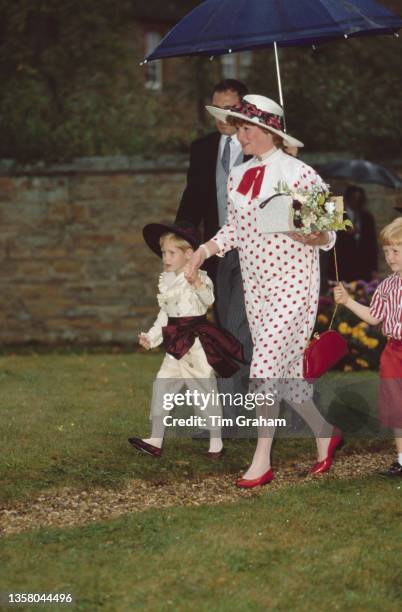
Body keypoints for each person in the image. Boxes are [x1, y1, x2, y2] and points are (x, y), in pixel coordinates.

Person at [187, 94, 343, 488]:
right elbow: (234, 230)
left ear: (269, 130)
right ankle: (325, 432)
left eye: (247, 128)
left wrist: (310, 233)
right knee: (288, 377)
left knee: (263, 369)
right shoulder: (238, 176)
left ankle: (261, 460)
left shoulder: (301, 173)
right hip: (256, 287)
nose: (240, 136)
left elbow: (328, 235)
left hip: (293, 283)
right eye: (237, 128)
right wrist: (203, 251)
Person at [128, 222, 244, 460]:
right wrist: (152, 337)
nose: (166, 258)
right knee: (162, 386)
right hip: (174, 346)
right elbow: (165, 315)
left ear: (189, 254)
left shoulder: (200, 277)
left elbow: (209, 299)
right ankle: (155, 440)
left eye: (172, 253)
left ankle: (215, 442)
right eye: (163, 253)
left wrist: (197, 284)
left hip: (195, 345)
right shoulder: (167, 280)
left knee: (204, 390)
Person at [176, 79, 253, 433]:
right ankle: (236, 411)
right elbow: (193, 197)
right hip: (216, 253)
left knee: (238, 329)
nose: (222, 117)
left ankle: (232, 415)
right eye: (216, 109)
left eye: (230, 108)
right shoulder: (203, 149)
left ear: (244, 108)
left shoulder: (259, 146)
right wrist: (181, 241)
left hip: (256, 254)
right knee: (223, 330)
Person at [334, 217, 402, 477]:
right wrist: (349, 302)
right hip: (394, 352)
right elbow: (375, 317)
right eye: (386, 252)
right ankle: (401, 458)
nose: (390, 257)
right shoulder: (386, 286)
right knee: (397, 407)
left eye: (396, 251)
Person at [327, 185, 378, 282]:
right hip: (343, 265)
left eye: (360, 199)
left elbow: (372, 244)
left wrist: (374, 268)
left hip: (363, 266)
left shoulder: (367, 217)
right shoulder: (339, 215)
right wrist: (344, 231)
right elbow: (330, 239)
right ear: (347, 199)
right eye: (354, 198)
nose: (356, 202)